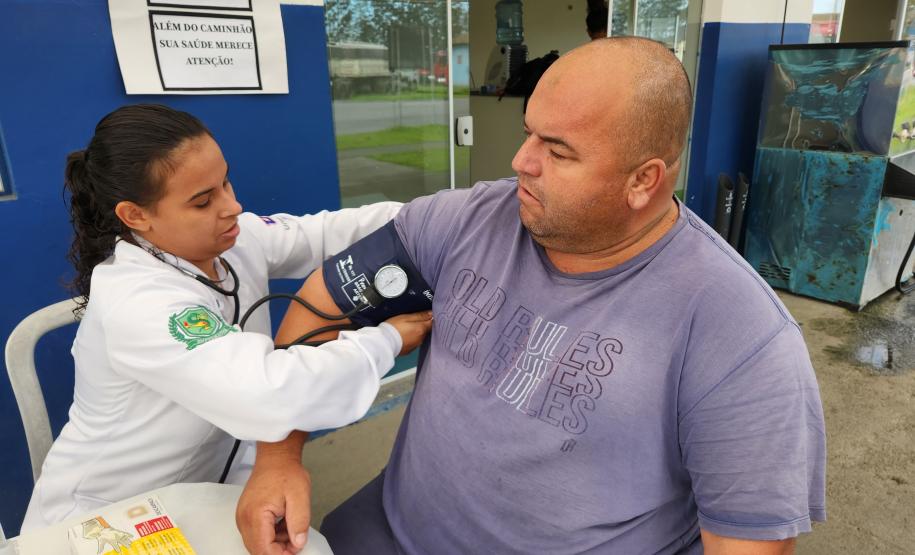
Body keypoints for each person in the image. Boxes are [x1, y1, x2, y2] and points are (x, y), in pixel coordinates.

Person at [237, 38, 826, 554]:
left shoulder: (740, 336)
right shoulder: (468, 220)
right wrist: (277, 459)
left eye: (558, 150)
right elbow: (325, 298)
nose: (521, 162)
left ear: (644, 180)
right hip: (386, 532)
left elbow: (748, 542)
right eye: (528, 134)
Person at [21, 104, 433, 530]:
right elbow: (270, 390)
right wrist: (384, 342)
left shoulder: (233, 242)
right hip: (108, 518)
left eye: (225, 182)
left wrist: (439, 218)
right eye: (203, 201)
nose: (232, 206)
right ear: (135, 215)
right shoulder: (137, 302)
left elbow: (328, 231)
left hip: (208, 493)